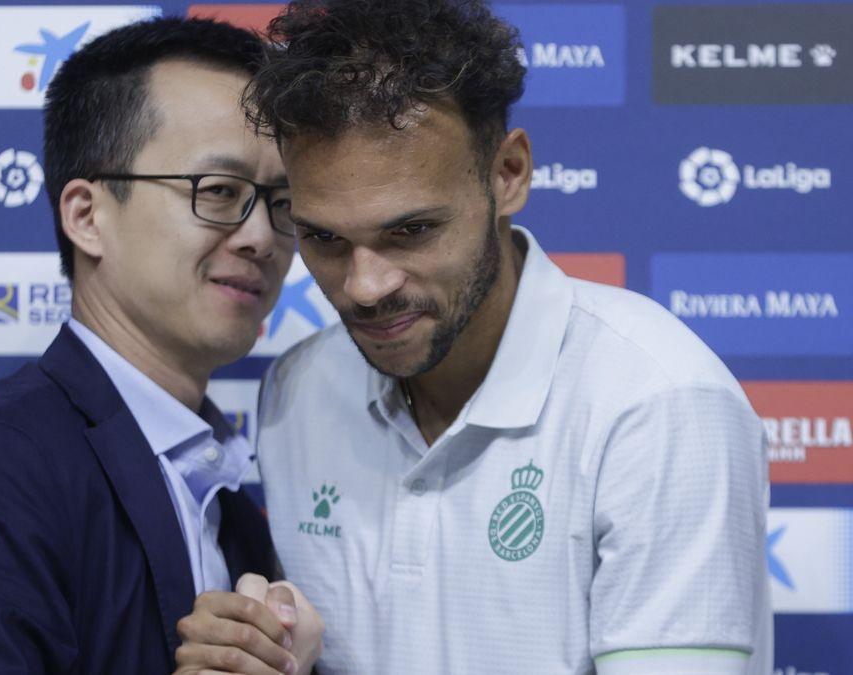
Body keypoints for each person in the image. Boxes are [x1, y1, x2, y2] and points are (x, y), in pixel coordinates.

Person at [175, 0, 772, 673]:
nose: (365, 286)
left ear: (508, 173)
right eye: (325, 238)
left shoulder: (662, 405)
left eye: (411, 230)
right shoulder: (298, 390)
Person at [0, 17, 309, 673]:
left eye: (281, 202)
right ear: (86, 216)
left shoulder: (238, 512)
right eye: (218, 192)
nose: (261, 237)